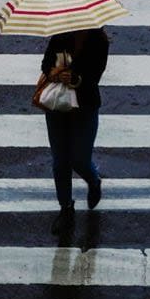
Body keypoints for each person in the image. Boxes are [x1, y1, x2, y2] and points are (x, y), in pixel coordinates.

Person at [41, 27, 109, 234]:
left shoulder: (98, 40)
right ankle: (66, 208)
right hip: (57, 106)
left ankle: (93, 180)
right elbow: (45, 65)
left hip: (85, 106)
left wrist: (76, 79)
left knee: (79, 158)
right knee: (60, 160)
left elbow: (95, 76)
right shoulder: (60, 36)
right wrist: (55, 73)